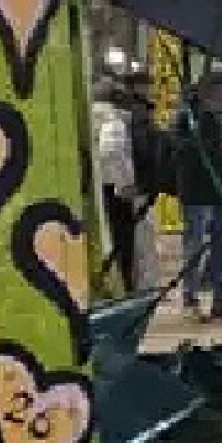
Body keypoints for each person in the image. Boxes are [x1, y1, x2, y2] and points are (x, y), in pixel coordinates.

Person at [173, 74, 222, 322]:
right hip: (197, 190)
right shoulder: (188, 116)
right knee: (195, 244)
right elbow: (184, 149)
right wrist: (217, 149)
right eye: (221, 91)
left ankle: (220, 299)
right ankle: (190, 297)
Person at [91, 79, 141, 292]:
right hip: (115, 189)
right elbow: (112, 152)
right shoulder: (114, 122)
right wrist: (125, 185)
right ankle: (125, 284)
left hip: (97, 187)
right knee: (123, 240)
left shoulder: (90, 117)